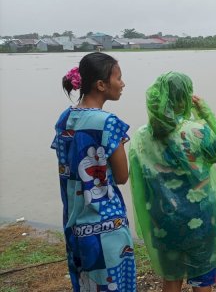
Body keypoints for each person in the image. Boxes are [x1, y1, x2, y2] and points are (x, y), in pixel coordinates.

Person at [128, 72, 216, 292]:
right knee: (202, 276)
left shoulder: (140, 137)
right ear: (185, 97)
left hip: (164, 222)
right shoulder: (197, 131)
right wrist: (206, 114)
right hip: (201, 219)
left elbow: (140, 179)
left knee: (172, 277)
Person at [51, 52, 136, 291]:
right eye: (118, 78)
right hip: (106, 226)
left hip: (75, 226)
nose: (123, 83)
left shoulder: (65, 118)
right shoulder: (108, 122)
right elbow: (121, 176)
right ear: (101, 85)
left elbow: (67, 165)